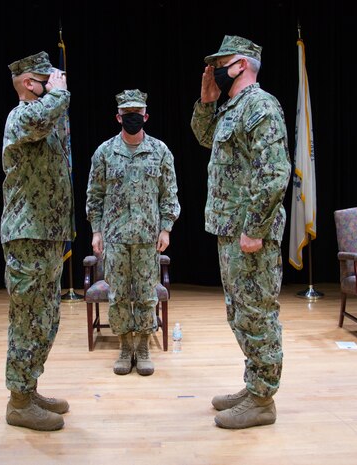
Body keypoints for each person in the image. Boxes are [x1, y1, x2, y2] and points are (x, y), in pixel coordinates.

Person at [190, 36, 291, 429]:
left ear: (242, 66)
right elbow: (203, 136)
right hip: (229, 229)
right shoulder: (232, 108)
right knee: (239, 312)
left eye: (222, 62)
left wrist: (254, 229)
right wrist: (206, 99)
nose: (214, 68)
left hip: (250, 234)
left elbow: (275, 173)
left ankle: (263, 399)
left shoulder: (261, 106)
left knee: (256, 312)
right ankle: (254, 385)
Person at [0, 51, 74, 431]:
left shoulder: (43, 120)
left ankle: (29, 389)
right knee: (28, 319)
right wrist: (59, 93)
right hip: (27, 237)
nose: (56, 81)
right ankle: (18, 401)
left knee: (45, 318)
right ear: (31, 83)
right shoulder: (23, 117)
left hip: (46, 235)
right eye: (48, 78)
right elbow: (44, 117)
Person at [86, 89, 180, 376]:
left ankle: (143, 347)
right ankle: (125, 348)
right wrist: (96, 231)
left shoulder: (160, 151)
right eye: (127, 116)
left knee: (145, 295)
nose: (132, 120)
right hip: (115, 238)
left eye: (136, 116)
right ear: (118, 117)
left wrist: (166, 228)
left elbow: (169, 194)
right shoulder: (104, 152)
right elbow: (95, 195)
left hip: (147, 238)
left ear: (145, 117)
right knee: (119, 296)